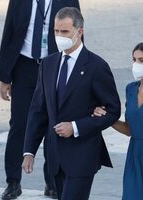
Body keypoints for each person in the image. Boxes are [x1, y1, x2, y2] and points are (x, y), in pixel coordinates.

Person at [22, 7, 121, 200]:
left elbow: (113, 110)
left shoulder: (96, 66)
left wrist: (76, 127)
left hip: (82, 155)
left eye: (65, 32)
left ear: (80, 31)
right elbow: (38, 110)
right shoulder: (48, 64)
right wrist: (29, 151)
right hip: (55, 156)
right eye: (56, 31)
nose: (59, 36)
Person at [0, 0, 81, 199]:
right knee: (19, 124)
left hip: (55, 64)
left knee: (53, 124)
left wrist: (79, 71)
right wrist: (4, 75)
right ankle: (13, 181)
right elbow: (9, 30)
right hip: (25, 66)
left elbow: (77, 30)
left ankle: (51, 181)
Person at [93, 42, 143, 200]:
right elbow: (129, 129)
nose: (136, 64)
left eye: (141, 60)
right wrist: (107, 118)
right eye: (134, 60)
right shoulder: (131, 89)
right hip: (135, 155)